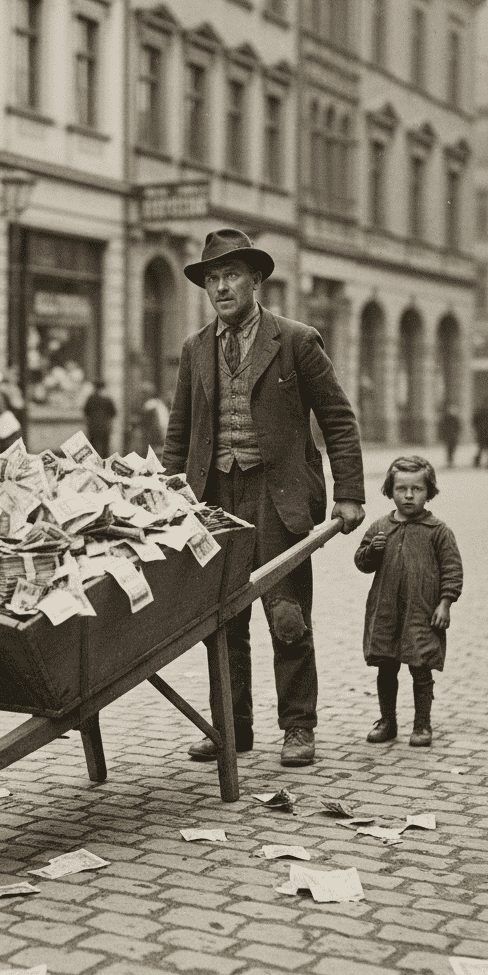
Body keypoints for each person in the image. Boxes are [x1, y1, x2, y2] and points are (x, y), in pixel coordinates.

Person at [163, 228, 366, 767]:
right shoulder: (195, 348)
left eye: (232, 276)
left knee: (287, 614)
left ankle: (298, 727)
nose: (222, 287)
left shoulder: (297, 340)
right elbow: (180, 434)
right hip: (214, 498)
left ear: (256, 280)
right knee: (221, 620)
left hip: (280, 496)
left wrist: (349, 494)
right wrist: (166, 495)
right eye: (213, 279)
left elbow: (339, 421)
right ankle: (232, 727)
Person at [354, 456, 463, 748]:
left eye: (417, 489)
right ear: (390, 491)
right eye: (402, 489)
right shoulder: (380, 527)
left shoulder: (438, 531)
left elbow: (453, 570)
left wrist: (445, 603)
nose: (409, 495)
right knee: (386, 666)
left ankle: (422, 724)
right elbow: (362, 562)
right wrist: (372, 552)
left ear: (429, 492)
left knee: (420, 665)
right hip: (386, 609)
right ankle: (387, 720)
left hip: (422, 611)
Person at [83, 380, 116, 459]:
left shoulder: (91, 398)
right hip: (105, 426)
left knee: (93, 447)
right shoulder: (107, 399)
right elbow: (113, 412)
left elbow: (86, 411)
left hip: (93, 426)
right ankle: (105, 465)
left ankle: (93, 464)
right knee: (105, 448)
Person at [438, 404, 462, 468]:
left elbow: (458, 427)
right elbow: (443, 427)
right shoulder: (446, 418)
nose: (453, 411)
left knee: (453, 449)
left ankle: (451, 461)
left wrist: (457, 434)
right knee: (449, 449)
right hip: (448, 436)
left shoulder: (456, 419)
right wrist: (443, 435)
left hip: (454, 436)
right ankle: (449, 462)